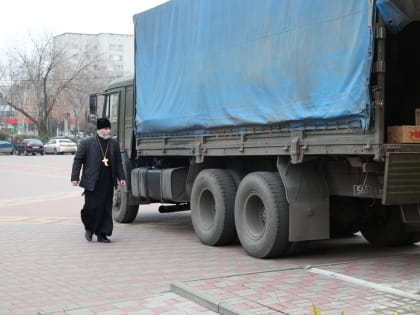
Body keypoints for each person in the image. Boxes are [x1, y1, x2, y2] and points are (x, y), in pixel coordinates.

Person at [71, 117, 126, 243]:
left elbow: (118, 162)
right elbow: (78, 160)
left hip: (108, 182)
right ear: (99, 130)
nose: (108, 131)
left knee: (106, 208)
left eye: (109, 128)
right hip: (92, 182)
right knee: (92, 208)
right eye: (106, 129)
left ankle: (102, 234)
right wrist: (75, 177)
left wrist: (121, 177)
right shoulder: (87, 143)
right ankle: (89, 229)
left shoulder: (113, 143)